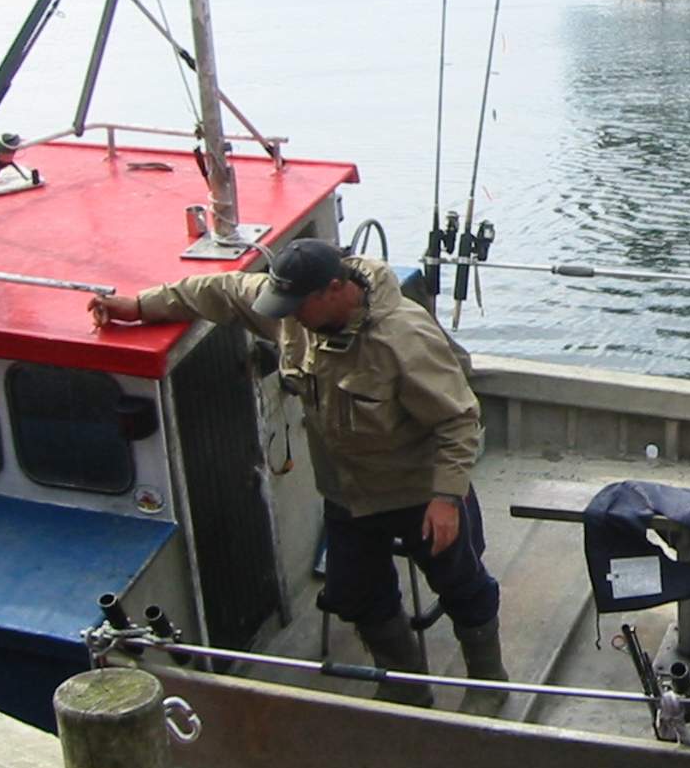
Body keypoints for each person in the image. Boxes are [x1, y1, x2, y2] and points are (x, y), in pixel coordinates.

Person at [88, 238, 506, 712]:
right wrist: (139, 306)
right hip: (349, 496)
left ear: (333, 289)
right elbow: (221, 291)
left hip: (417, 491)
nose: (287, 315)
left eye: (296, 305)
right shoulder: (293, 310)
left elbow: (457, 420)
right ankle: (407, 685)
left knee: (462, 585)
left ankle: (489, 681)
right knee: (355, 593)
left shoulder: (404, 338)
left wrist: (446, 498)